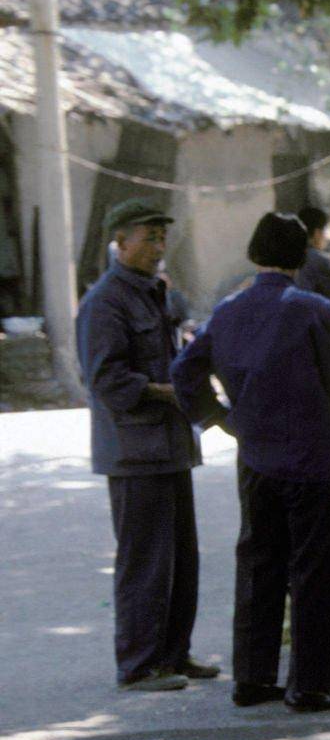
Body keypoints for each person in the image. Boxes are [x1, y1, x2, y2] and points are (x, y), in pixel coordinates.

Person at [173, 212, 330, 713]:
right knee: (312, 571)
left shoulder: (228, 310)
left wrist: (222, 418)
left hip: (256, 456)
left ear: (255, 253)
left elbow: (184, 372)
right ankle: (310, 685)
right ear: (302, 257)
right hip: (314, 456)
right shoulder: (314, 308)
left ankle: (253, 680)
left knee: (258, 566)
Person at [78, 197, 211, 692]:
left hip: (171, 446)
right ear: (120, 242)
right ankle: (138, 665)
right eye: (148, 238)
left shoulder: (155, 293)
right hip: (135, 452)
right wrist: (165, 392)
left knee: (181, 557)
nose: (158, 247)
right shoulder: (105, 301)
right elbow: (106, 381)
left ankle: (174, 654)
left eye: (161, 237)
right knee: (145, 560)